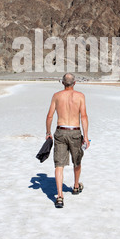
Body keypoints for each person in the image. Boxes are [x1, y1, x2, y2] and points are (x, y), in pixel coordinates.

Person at [45, 73, 90, 208]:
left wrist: (48, 132)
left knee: (59, 164)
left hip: (61, 131)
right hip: (75, 131)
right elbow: (83, 117)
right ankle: (76, 186)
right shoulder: (80, 96)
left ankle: (59, 197)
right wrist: (86, 136)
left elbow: (49, 116)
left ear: (62, 83)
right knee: (77, 161)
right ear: (74, 83)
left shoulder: (57, 96)